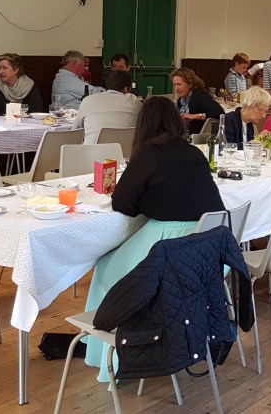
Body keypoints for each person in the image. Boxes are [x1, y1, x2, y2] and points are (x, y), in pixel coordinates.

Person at [83, 96, 226, 383]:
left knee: (105, 268)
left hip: (168, 246)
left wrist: (146, 199)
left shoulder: (149, 155)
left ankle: (102, 352)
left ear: (143, 124)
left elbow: (122, 203)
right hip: (205, 252)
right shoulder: (194, 153)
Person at [73, 70, 141, 144]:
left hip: (93, 150)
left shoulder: (87, 100)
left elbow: (75, 131)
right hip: (125, 150)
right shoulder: (135, 102)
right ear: (126, 89)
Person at [172, 67, 224, 135]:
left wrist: (196, 116)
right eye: (174, 85)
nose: (176, 88)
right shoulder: (181, 100)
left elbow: (219, 112)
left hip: (196, 137)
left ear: (190, 84)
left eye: (179, 84)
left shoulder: (199, 95)